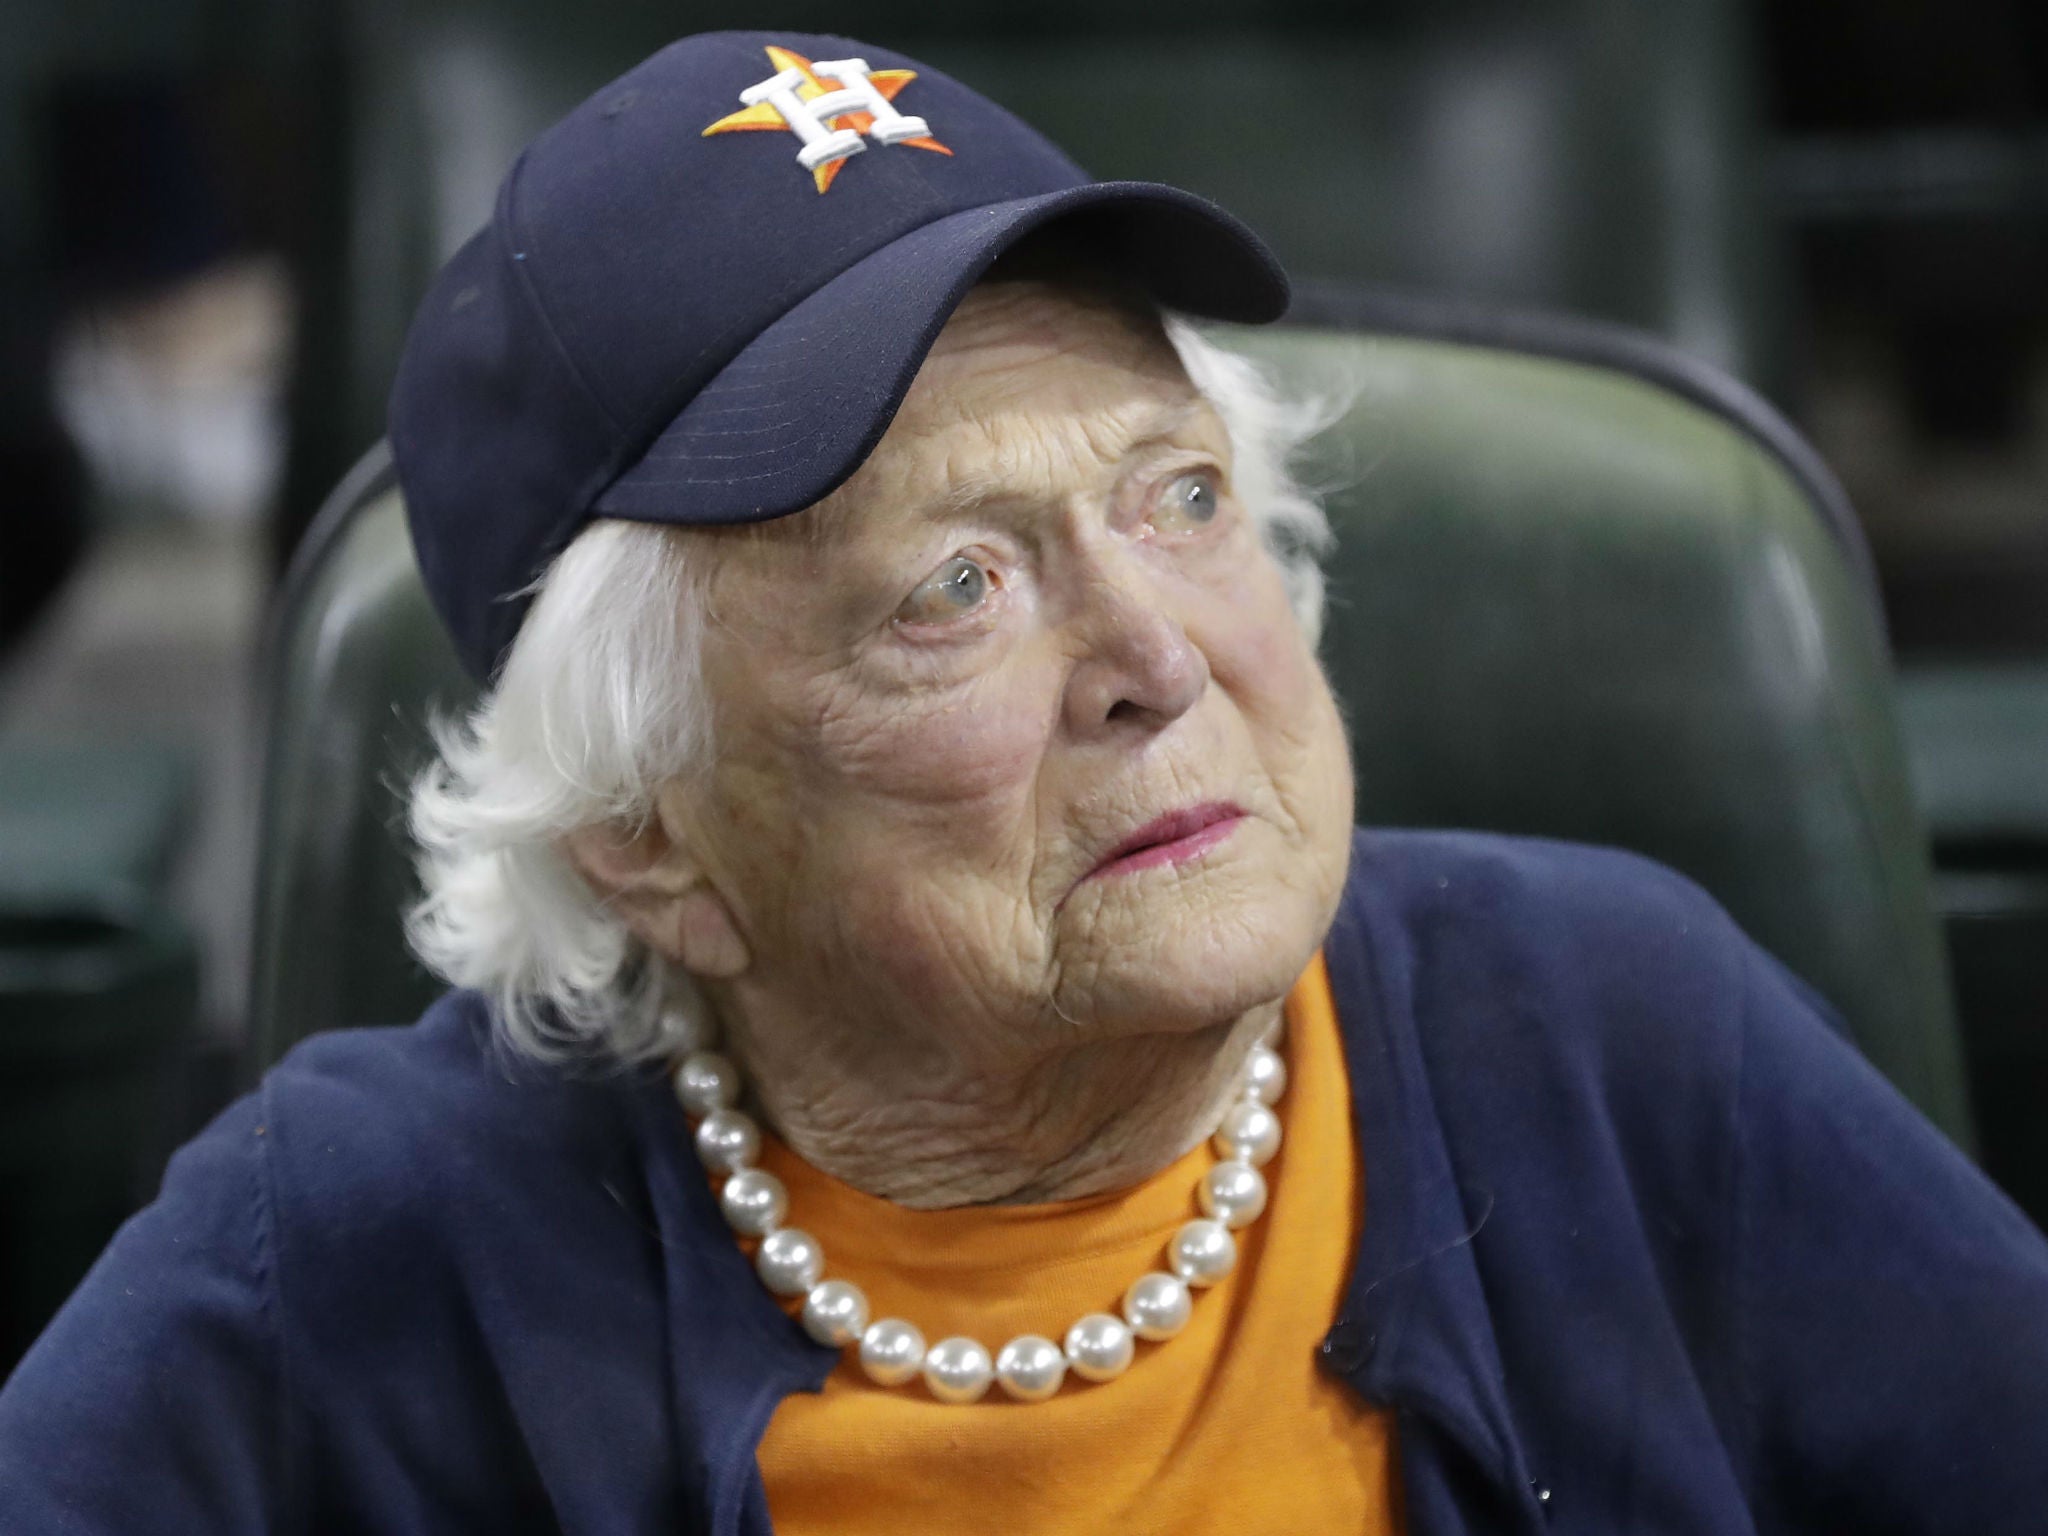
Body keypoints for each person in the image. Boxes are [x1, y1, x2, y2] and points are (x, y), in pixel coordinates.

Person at [4, 29, 2047, 1536]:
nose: (1155, 661)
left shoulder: (1622, 1031)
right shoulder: (355, 1250)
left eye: (1177, 498)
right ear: (653, 832)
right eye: (951, 591)